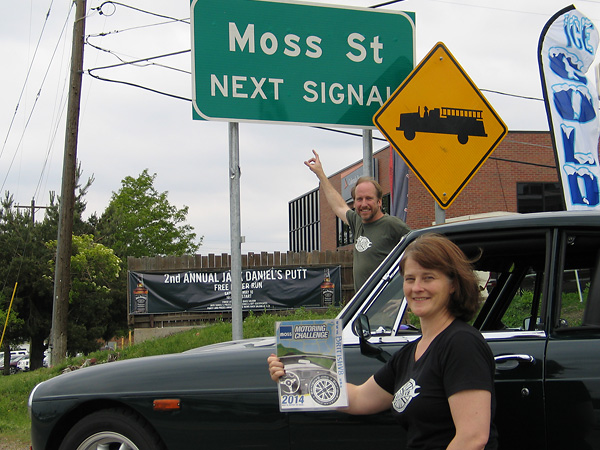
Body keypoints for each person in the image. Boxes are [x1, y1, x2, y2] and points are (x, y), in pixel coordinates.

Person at [268, 233, 498, 450]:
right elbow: (359, 398)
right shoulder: (410, 354)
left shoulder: (461, 344)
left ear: (453, 284)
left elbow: (473, 438)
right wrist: (295, 373)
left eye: (429, 277)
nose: (417, 288)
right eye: (410, 279)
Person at [304, 150, 410, 291]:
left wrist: (402, 295)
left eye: (369, 198)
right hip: (365, 307)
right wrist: (321, 174)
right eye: (359, 199)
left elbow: (422, 252)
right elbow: (339, 205)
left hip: (387, 309)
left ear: (379, 202)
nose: (363, 204)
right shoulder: (357, 221)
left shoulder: (392, 225)